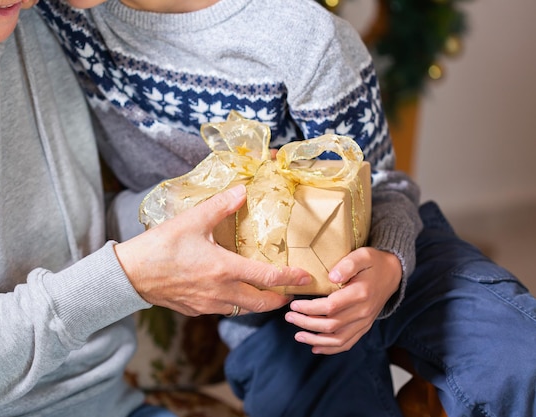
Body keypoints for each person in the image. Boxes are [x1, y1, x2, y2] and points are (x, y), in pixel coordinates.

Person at [36, 0, 536, 415]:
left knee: (516, 356)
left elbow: (383, 182)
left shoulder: (302, 36)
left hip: (396, 248)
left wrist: (387, 265)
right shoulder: (59, 15)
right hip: (272, 303)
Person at [0, 2, 315, 416]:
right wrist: (129, 278)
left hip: (113, 406)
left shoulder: (28, 22)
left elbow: (77, 226)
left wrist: (193, 205)